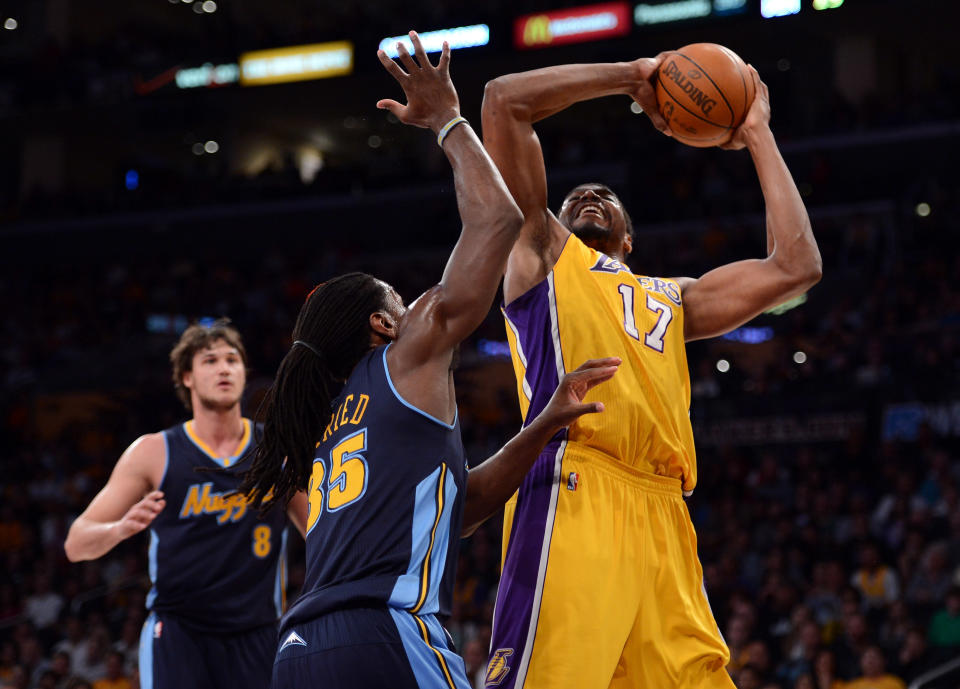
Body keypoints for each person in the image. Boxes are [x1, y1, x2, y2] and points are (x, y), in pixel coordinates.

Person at [236, 32, 620, 689]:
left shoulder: (331, 420)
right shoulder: (407, 353)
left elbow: (460, 507)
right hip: (385, 632)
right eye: (400, 297)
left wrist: (544, 424)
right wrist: (448, 118)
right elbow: (498, 220)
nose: (416, 301)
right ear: (384, 323)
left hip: (298, 652)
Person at [480, 55, 822, 688]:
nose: (589, 195)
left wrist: (757, 133)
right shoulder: (542, 251)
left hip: (666, 513)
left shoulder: (674, 298)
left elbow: (796, 266)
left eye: (606, 196)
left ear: (630, 238)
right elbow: (503, 101)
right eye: (577, 195)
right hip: (577, 486)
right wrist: (630, 75)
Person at [64, 320, 308, 689]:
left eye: (233, 359)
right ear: (186, 377)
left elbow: (322, 533)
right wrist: (120, 528)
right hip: (179, 632)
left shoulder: (277, 452)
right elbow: (76, 543)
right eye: (210, 360)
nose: (224, 368)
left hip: (258, 630)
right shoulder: (153, 452)